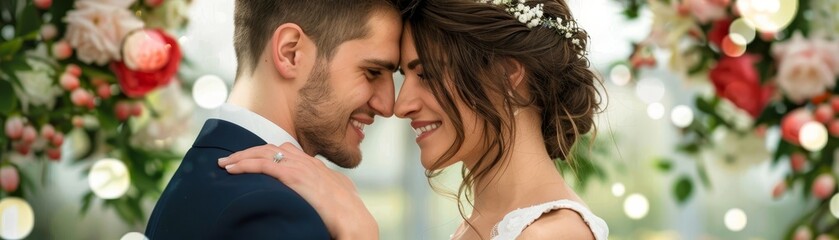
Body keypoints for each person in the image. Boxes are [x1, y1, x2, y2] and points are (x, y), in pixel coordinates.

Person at [218, 0, 609, 239]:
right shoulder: (480, 225)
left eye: (427, 75)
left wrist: (358, 232)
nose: (400, 105)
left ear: (508, 74)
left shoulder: (553, 235)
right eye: (405, 75)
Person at [145, 0, 401, 239]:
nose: (388, 105)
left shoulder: (205, 172)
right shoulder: (271, 209)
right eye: (372, 72)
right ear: (290, 52)